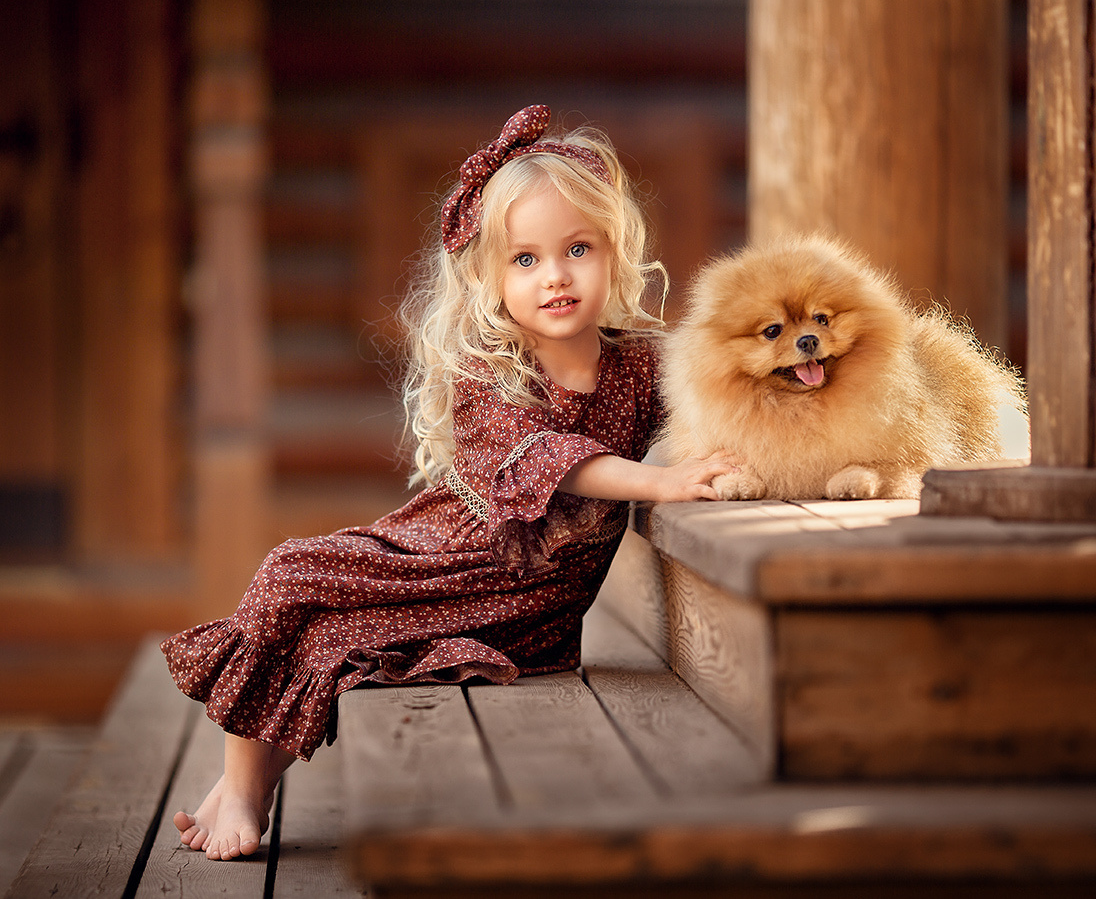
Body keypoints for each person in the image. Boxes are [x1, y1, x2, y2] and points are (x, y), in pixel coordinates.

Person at [161, 105, 736, 861]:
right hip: (449, 560)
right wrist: (659, 485)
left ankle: (246, 785)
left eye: (578, 249)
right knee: (292, 581)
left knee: (329, 629)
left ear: (615, 251)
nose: (556, 276)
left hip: (532, 608)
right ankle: (243, 785)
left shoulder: (644, 363)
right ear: (490, 277)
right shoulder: (489, 373)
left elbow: (721, 397)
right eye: (524, 259)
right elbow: (543, 458)